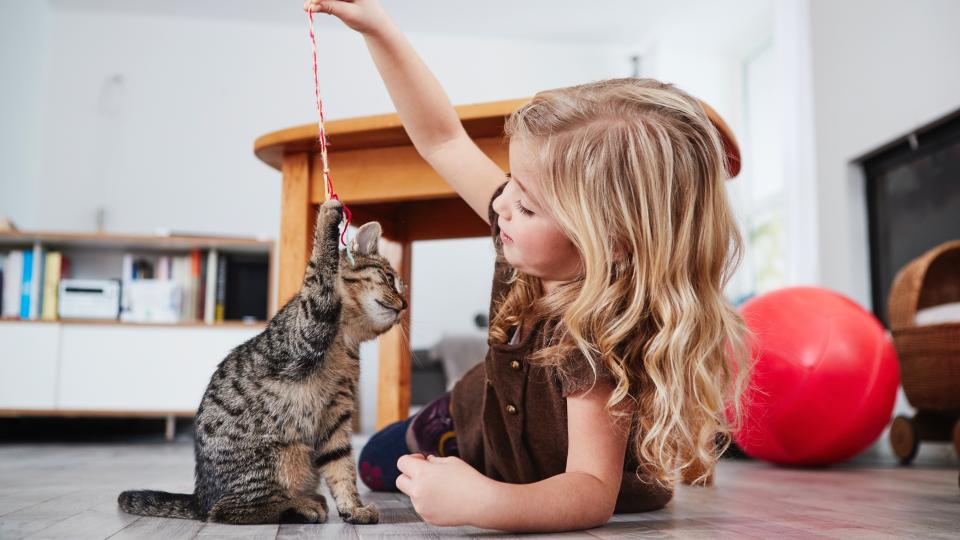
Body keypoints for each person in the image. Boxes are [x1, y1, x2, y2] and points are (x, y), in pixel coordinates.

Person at [304, 0, 752, 533]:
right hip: (472, 419)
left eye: (528, 204)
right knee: (376, 461)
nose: (500, 204)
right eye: (510, 184)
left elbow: (589, 492)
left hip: (541, 474)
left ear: (610, 242)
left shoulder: (601, 339)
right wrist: (379, 29)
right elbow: (442, 139)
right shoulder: (536, 238)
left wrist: (483, 504)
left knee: (397, 471)